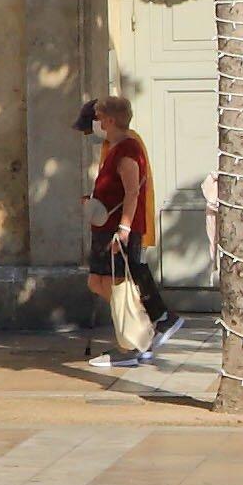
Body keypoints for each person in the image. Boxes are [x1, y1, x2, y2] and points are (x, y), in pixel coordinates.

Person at [75, 94, 166, 372]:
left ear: (110, 120)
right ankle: (142, 331)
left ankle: (135, 340)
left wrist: (124, 227)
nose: (97, 125)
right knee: (98, 283)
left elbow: (132, 192)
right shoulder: (113, 146)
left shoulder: (127, 148)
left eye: (99, 119)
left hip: (117, 229)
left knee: (119, 286)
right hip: (106, 226)